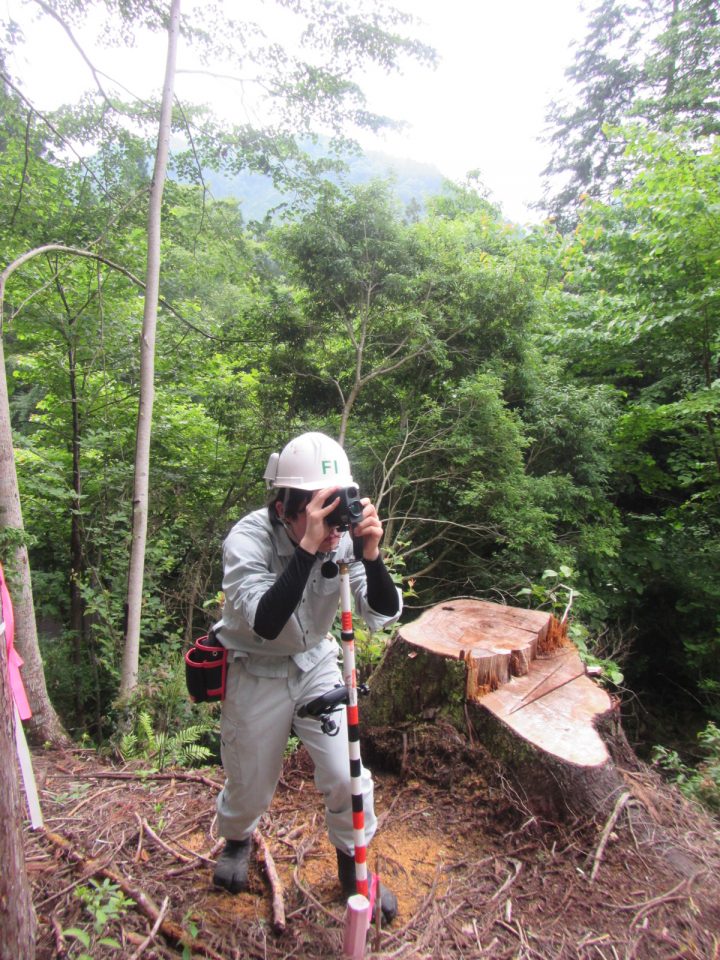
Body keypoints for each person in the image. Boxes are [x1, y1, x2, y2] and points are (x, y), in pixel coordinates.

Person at [211, 431, 402, 923]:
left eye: (335, 509)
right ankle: (235, 838)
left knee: (346, 772)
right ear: (284, 508)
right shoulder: (247, 539)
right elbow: (267, 620)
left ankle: (350, 867)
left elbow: (381, 610)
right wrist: (309, 550)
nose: (331, 526)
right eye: (317, 511)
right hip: (255, 665)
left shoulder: (340, 540)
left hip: (315, 662)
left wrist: (369, 553)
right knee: (250, 780)